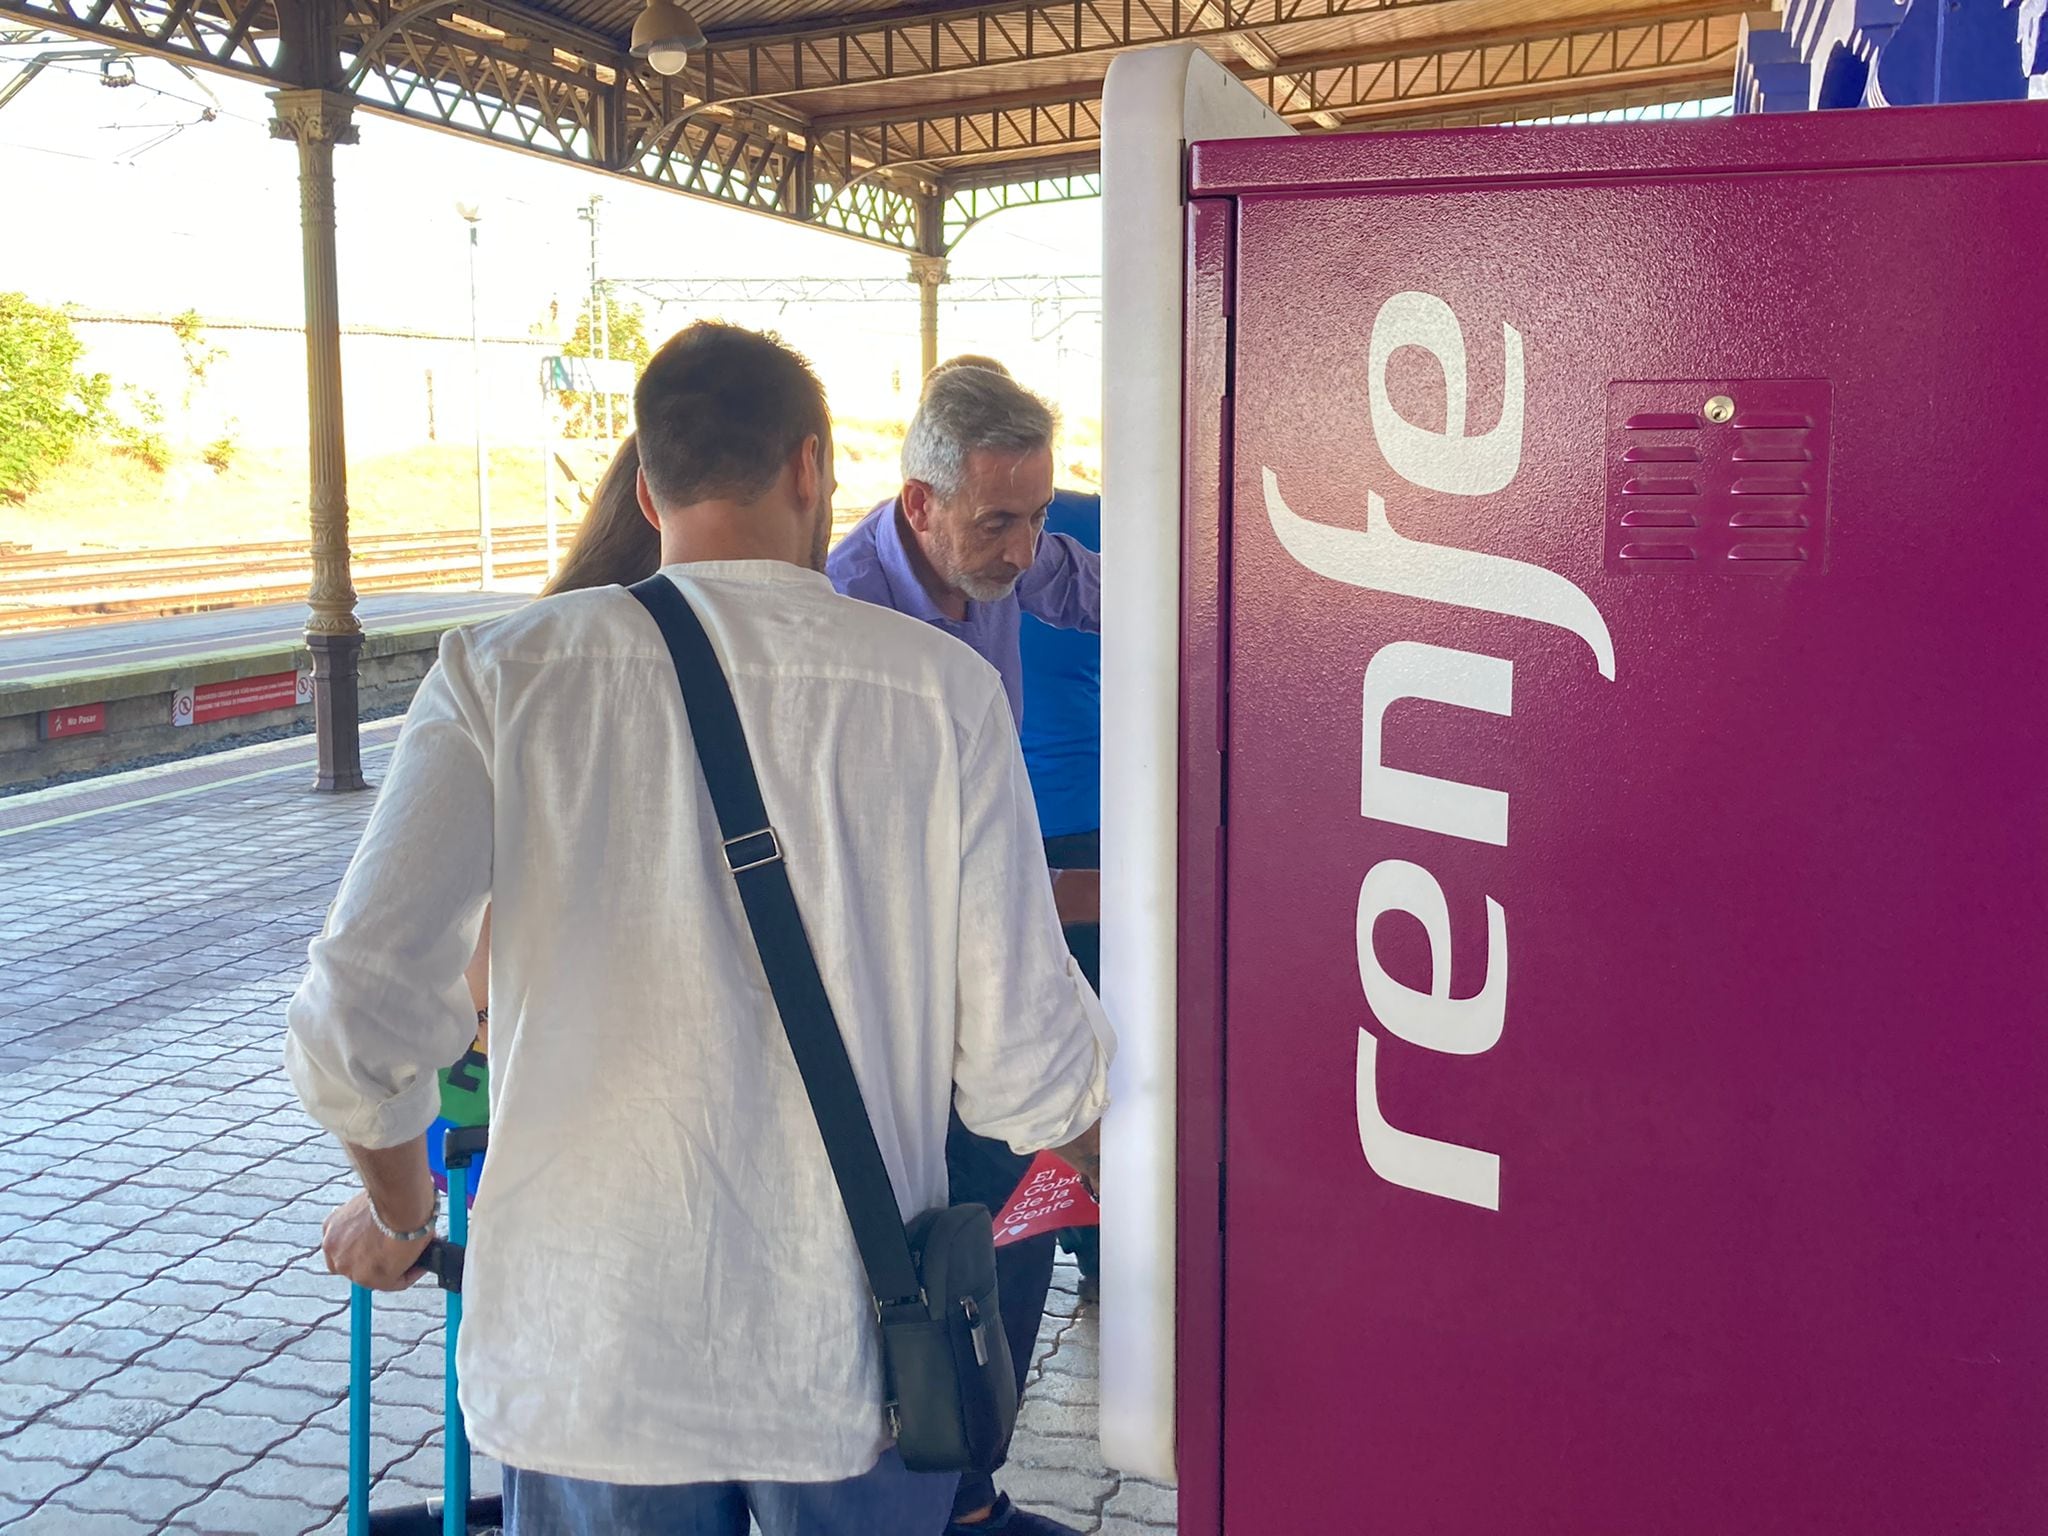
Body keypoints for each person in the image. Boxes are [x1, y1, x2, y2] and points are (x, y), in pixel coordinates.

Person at [287, 322, 1114, 1536]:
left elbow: (356, 1025)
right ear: (810, 468)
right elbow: (1028, 1074)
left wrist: (403, 1216)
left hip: (587, 1367)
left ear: (645, 485)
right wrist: (1155, 1186)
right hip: (848, 1368)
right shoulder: (940, 695)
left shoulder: (499, 676)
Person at [826, 357, 1101, 1536]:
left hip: (985, 922)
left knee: (1021, 1210)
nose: (1023, 546)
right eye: (1000, 519)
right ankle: (917, 1484)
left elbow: (1120, 596)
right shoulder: (841, 610)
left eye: (1038, 514)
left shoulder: (1009, 547)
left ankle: (973, 1481)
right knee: (915, 1233)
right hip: (888, 971)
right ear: (919, 502)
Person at [1017, 482, 1104, 1303]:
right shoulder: (1099, 524)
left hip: (1009, 820)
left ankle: (1063, 1230)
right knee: (1098, 1029)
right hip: (1090, 819)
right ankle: (1106, 1246)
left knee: (1035, 1031)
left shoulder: (951, 536)